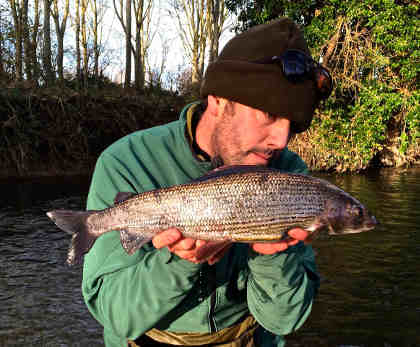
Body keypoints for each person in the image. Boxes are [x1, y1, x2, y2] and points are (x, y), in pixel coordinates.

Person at [82, 17, 332, 347]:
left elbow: (284, 320)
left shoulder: (288, 175)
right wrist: (177, 263)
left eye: (292, 124)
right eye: (269, 115)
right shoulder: (127, 161)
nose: (282, 139)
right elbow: (115, 314)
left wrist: (274, 256)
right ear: (217, 100)